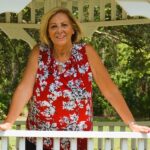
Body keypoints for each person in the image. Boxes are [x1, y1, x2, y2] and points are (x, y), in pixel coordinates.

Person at [0, 7, 150, 150]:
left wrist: (131, 123)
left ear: (72, 29)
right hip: (39, 140)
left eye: (64, 25)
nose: (59, 30)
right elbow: (24, 88)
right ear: (48, 32)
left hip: (77, 141)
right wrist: (8, 122)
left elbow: (109, 90)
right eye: (53, 26)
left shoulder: (87, 52)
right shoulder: (39, 53)